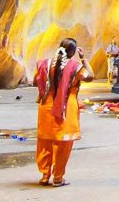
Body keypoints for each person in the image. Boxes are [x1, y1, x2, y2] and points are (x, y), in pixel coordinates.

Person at [33, 38, 94, 187]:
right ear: (73, 52)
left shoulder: (45, 64)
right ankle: (58, 178)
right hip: (66, 107)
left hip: (46, 106)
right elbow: (90, 77)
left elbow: (36, 82)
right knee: (63, 143)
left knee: (45, 141)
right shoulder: (75, 66)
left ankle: (44, 175)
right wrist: (83, 58)